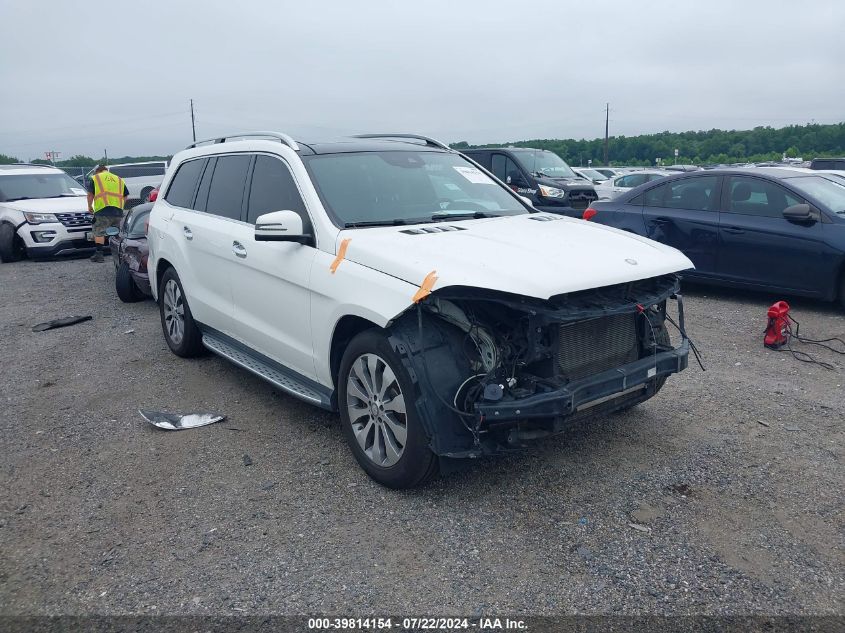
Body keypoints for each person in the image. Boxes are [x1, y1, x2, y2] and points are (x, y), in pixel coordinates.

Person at [86, 165, 128, 262]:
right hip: (117, 211)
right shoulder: (118, 179)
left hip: (103, 209)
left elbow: (90, 194)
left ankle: (99, 255)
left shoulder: (96, 178)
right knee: (117, 233)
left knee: (99, 231)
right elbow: (125, 196)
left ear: (98, 171)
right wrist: (120, 206)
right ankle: (120, 255)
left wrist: (89, 206)